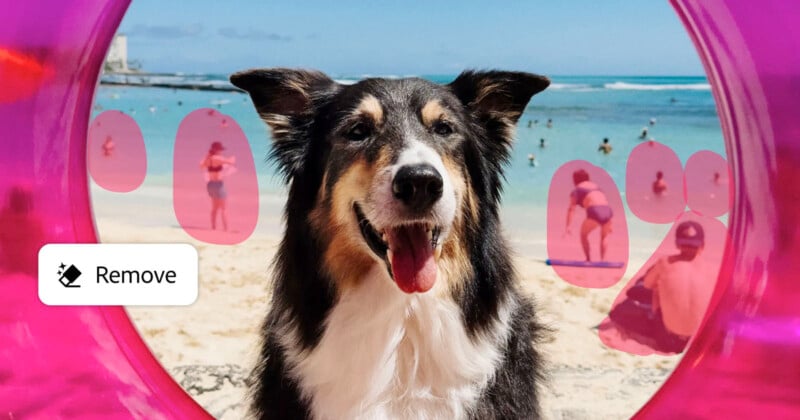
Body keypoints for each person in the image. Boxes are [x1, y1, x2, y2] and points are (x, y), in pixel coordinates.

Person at [608, 221, 714, 353]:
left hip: (667, 341)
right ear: (702, 245)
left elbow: (647, 285)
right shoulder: (711, 270)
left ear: (677, 244)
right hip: (698, 341)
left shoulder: (665, 262)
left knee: (619, 311)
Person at [565, 169, 613, 262]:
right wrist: (611, 225)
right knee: (604, 236)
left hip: (595, 211)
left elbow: (571, 209)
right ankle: (604, 260)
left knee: (583, 235)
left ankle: (588, 259)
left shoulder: (577, 189)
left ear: (575, 180)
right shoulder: (597, 187)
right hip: (608, 211)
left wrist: (568, 226)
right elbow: (603, 202)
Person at [0, 186, 46, 275]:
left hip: (27, 271)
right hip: (9, 270)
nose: (19, 202)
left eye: (22, 199)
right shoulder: (3, 219)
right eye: (17, 199)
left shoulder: (35, 222)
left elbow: (37, 247)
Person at [199, 141, 236, 231]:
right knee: (224, 208)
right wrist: (233, 158)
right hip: (219, 185)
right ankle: (226, 228)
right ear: (217, 150)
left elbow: (201, 166)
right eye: (220, 150)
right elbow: (231, 162)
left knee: (214, 208)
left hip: (210, 184)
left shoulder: (208, 159)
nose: (221, 151)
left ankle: (213, 227)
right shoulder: (218, 158)